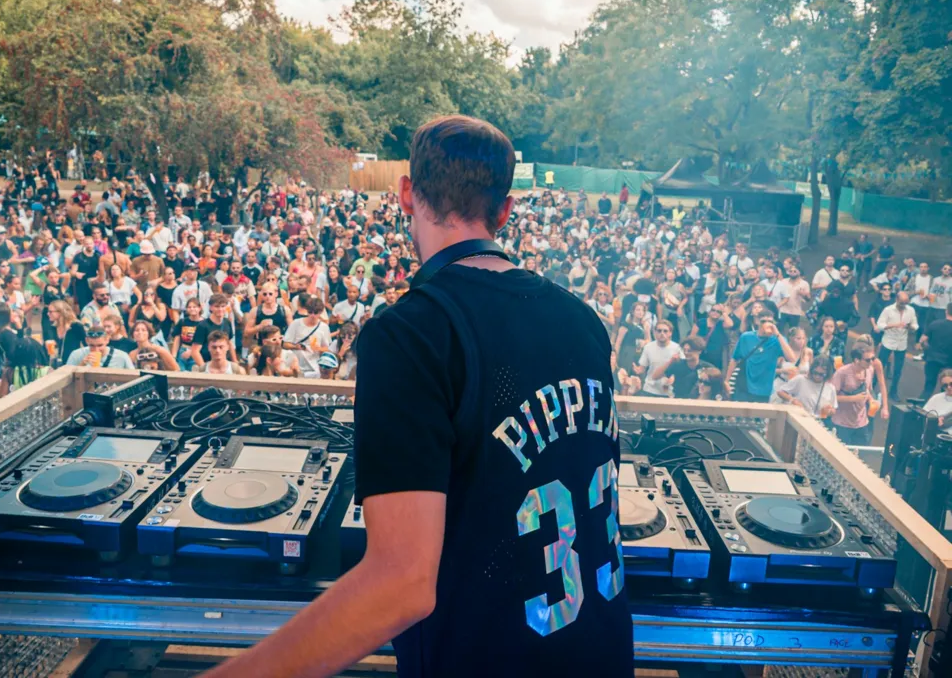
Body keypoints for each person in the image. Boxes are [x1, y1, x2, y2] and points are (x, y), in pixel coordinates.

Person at [206, 116, 633, 678]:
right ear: (505, 211)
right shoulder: (583, 320)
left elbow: (401, 584)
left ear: (406, 193)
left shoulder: (410, 335)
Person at [726, 312, 796, 403]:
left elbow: (792, 358)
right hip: (744, 383)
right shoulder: (746, 337)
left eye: (770, 321)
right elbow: (734, 359)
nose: (767, 324)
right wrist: (727, 381)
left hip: (764, 388)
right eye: (763, 321)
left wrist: (777, 334)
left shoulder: (777, 340)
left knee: (759, 411)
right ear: (758, 322)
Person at [830, 344, 877, 446]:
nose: (871, 362)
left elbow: (867, 389)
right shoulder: (842, 373)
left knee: (861, 451)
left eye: (873, 359)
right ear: (857, 360)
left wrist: (871, 400)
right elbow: (830, 397)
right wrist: (853, 398)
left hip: (861, 422)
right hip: (842, 423)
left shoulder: (869, 371)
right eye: (868, 360)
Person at [876, 291, 918, 400]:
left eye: (905, 303)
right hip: (888, 342)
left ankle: (893, 392)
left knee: (898, 370)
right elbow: (880, 325)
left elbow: (915, 324)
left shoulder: (911, 310)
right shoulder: (888, 310)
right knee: (879, 366)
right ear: (897, 300)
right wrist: (894, 325)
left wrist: (911, 327)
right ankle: (871, 387)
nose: (903, 305)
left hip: (902, 343)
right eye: (901, 303)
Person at [776, 357, 837, 422]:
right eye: (815, 372)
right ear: (811, 370)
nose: (817, 376)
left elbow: (833, 409)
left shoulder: (831, 388)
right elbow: (780, 392)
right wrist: (792, 400)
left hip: (816, 421)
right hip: (796, 418)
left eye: (821, 374)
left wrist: (829, 411)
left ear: (827, 374)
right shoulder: (801, 379)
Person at [283, 296, 332, 378]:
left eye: (315, 313)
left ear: (320, 312)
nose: (312, 315)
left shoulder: (324, 327)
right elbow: (285, 344)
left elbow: (327, 349)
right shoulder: (296, 323)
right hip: (296, 365)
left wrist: (319, 349)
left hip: (314, 366)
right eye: (310, 312)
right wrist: (296, 346)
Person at [637, 318, 683, 397]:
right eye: (659, 331)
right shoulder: (648, 347)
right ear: (655, 332)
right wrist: (638, 370)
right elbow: (642, 368)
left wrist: (674, 377)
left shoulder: (677, 348)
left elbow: (683, 369)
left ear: (670, 333)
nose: (662, 333)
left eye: (665, 331)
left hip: (669, 391)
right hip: (649, 389)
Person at [918, 304, 952, 399]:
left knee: (928, 387)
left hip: (932, 360)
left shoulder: (935, 324)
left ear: (946, 311)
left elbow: (922, 340)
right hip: (949, 363)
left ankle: (920, 405)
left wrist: (928, 350)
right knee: (947, 389)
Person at [66, 326, 136, 369]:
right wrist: (81, 365)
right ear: (87, 341)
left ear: (107, 340)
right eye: (92, 345)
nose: (96, 349)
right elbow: (65, 376)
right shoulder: (76, 354)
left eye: (100, 345)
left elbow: (134, 379)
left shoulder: (122, 356)